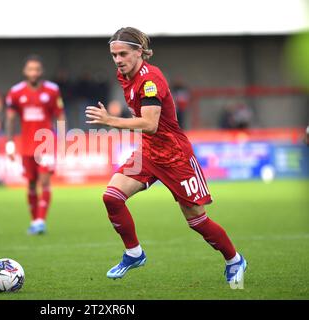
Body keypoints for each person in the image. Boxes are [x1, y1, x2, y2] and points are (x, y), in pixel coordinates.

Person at [85, 27, 246, 286]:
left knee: (197, 220)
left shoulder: (151, 80)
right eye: (114, 55)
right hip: (149, 153)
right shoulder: (124, 74)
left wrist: (110, 120)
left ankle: (234, 259)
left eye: (123, 54)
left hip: (176, 157)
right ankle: (134, 253)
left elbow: (150, 124)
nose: (117, 60)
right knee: (111, 197)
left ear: (139, 52)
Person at [5, 55, 66, 235]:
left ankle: (40, 221)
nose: (33, 72)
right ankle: (34, 220)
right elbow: (10, 118)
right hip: (25, 145)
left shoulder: (52, 90)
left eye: (36, 69)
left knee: (45, 181)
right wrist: (9, 143)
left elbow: (60, 115)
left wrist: (61, 140)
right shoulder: (16, 92)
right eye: (30, 69)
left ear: (41, 72)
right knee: (31, 184)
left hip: (45, 144)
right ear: (25, 71)